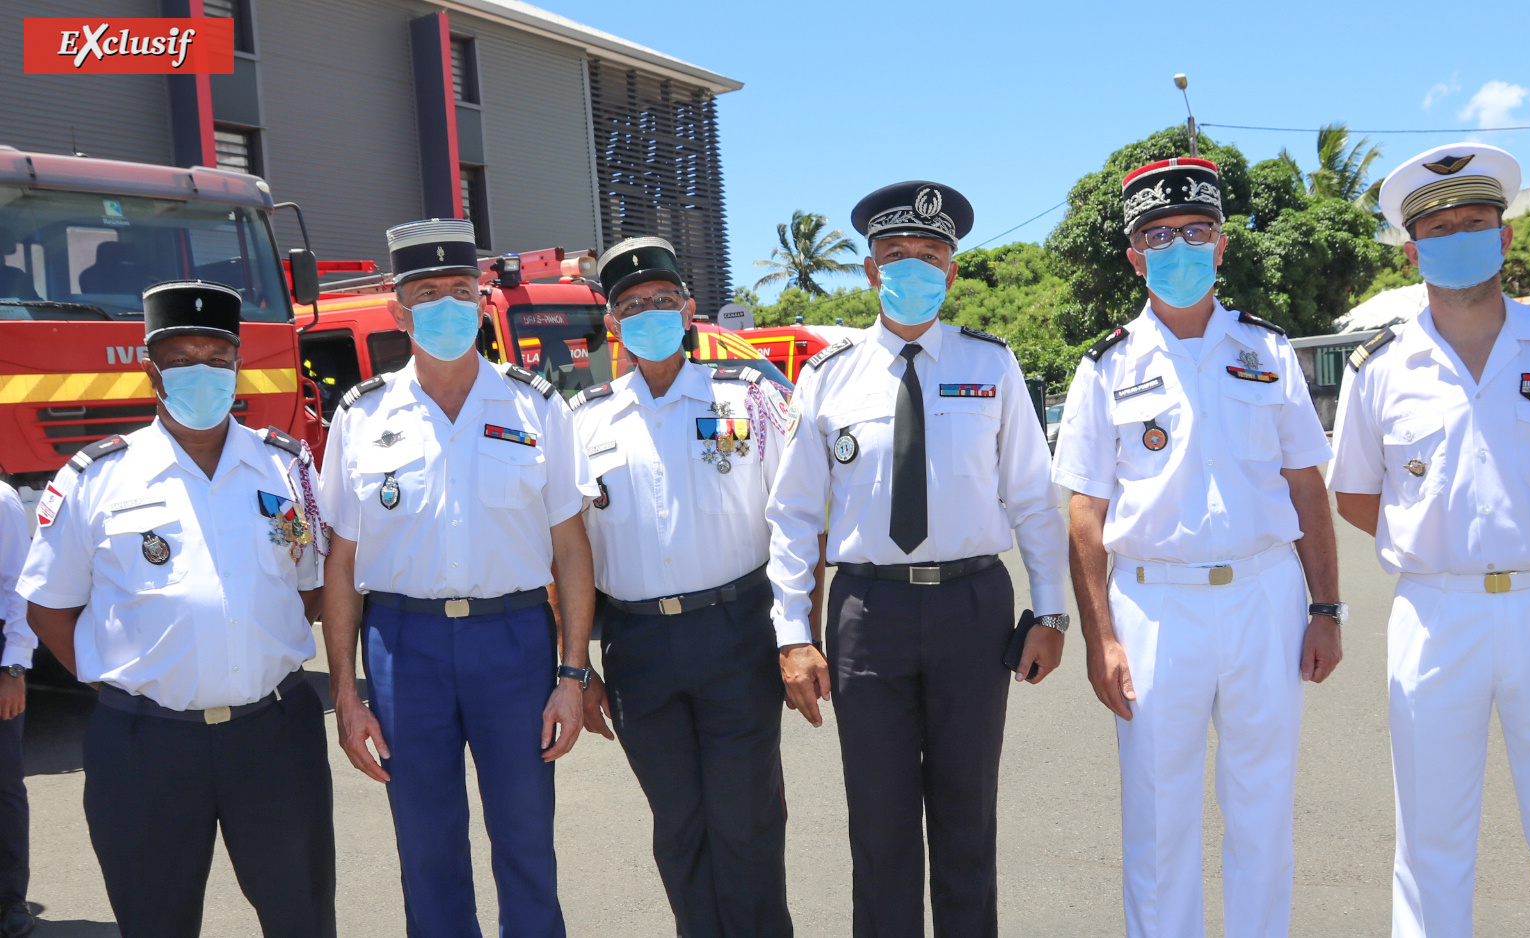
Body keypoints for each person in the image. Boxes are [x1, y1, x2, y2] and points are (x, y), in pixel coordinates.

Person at [1330, 143, 1530, 938]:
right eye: (1439, 230)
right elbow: (1358, 494)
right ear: (1413, 252)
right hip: (1437, 616)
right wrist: (1441, 540)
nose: (1458, 239)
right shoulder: (1380, 365)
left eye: (1475, 223)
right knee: (1431, 836)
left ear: (1505, 239)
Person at [767, 181, 1070, 937]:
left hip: (974, 607)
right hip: (870, 612)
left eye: (929, 255)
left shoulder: (993, 366)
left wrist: (1052, 610)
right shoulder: (828, 377)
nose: (913, 268)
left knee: (968, 820)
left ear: (952, 271)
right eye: (896, 256)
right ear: (870, 271)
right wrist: (792, 635)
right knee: (880, 827)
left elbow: (1033, 499)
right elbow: (795, 514)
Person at [1054, 157, 1343, 938]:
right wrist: (1101, 638)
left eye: (1195, 231)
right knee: (1158, 821)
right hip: (1152, 604)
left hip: (1264, 597)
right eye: (1158, 234)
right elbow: (1085, 513)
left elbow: (1306, 487)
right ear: (1134, 256)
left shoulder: (1270, 352)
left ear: (1220, 245)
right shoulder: (1105, 367)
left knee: (1262, 810)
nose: (1178, 245)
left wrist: (1327, 608)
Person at [20, 280, 334, 937]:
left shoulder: (285, 469)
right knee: (155, 922)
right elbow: (48, 606)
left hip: (273, 737)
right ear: (152, 371)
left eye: (217, 359)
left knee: (301, 915)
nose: (203, 374)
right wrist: (121, 679)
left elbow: (307, 585)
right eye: (183, 360)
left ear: (237, 366)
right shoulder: (98, 477)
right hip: (144, 746)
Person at [317, 218, 600, 938]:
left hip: (513, 642)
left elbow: (571, 550)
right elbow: (342, 563)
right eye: (427, 291)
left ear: (481, 301)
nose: (446, 303)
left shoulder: (536, 405)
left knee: (527, 840)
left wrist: (572, 674)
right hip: (402, 645)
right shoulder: (361, 413)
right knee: (426, 847)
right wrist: (346, 694)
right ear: (398, 307)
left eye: (459, 289)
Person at [573, 236, 795, 937]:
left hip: (738, 633)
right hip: (638, 645)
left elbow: (793, 524)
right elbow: (569, 556)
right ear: (613, 325)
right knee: (678, 823)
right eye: (631, 307)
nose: (649, 314)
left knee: (747, 817)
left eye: (662, 301)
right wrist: (575, 667)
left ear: (689, 309)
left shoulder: (751, 400)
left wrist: (797, 634)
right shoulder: (585, 422)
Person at [0, 482, 33, 938]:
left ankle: (10, 902)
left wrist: (13, 667)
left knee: (2, 786)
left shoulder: (2, 501)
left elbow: (19, 587)